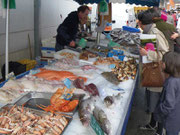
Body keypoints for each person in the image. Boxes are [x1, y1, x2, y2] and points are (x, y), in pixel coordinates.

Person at [137, 10, 169, 135]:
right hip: (151, 72)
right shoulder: (148, 32)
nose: (138, 24)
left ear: (143, 23)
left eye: (139, 22)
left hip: (157, 74)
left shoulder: (155, 33)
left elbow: (165, 54)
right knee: (152, 103)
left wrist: (147, 54)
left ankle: (159, 131)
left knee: (158, 104)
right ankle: (152, 124)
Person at [154, 51, 180, 135]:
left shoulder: (171, 82)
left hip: (171, 119)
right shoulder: (177, 78)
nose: (161, 64)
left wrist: (159, 110)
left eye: (163, 62)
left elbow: (168, 104)